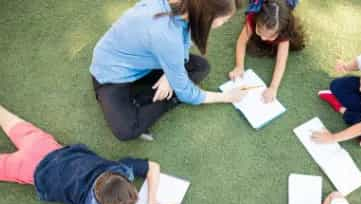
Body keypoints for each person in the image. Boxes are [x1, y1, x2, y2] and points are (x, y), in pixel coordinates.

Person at [0, 105, 162, 204]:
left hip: (44, 146)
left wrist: (151, 198)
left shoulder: (119, 169)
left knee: (6, 119)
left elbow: (153, 167)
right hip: (32, 170)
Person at [90, 0, 248, 141]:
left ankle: (155, 90)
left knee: (201, 67)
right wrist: (226, 97)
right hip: (111, 75)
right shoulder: (166, 36)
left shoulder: (184, 8)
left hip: (146, 61)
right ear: (207, 15)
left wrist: (168, 76)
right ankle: (170, 99)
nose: (224, 24)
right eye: (225, 20)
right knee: (127, 130)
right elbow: (187, 92)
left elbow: (184, 42)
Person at [229, 0, 305, 103]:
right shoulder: (253, 17)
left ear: (281, 31)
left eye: (271, 36)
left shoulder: (284, 30)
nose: (264, 38)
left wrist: (273, 87)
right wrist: (239, 66)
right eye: (259, 32)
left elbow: (281, 62)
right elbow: (241, 42)